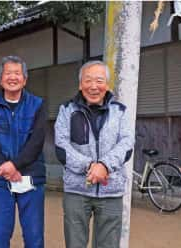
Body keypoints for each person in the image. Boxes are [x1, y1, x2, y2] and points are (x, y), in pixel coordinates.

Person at [54, 60, 135, 248]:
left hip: (111, 190)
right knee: (75, 244)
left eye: (99, 81)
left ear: (107, 85)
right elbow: (61, 145)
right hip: (76, 189)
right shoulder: (67, 110)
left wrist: (104, 165)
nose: (93, 86)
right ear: (80, 84)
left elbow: (127, 143)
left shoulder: (120, 111)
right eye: (88, 80)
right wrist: (90, 166)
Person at [0, 55, 46, 248]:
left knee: (34, 237)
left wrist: (15, 165)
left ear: (25, 79)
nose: (13, 77)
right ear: (1, 80)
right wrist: (6, 167)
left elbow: (37, 141)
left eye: (17, 73)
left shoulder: (37, 105)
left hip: (31, 177)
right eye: (8, 73)